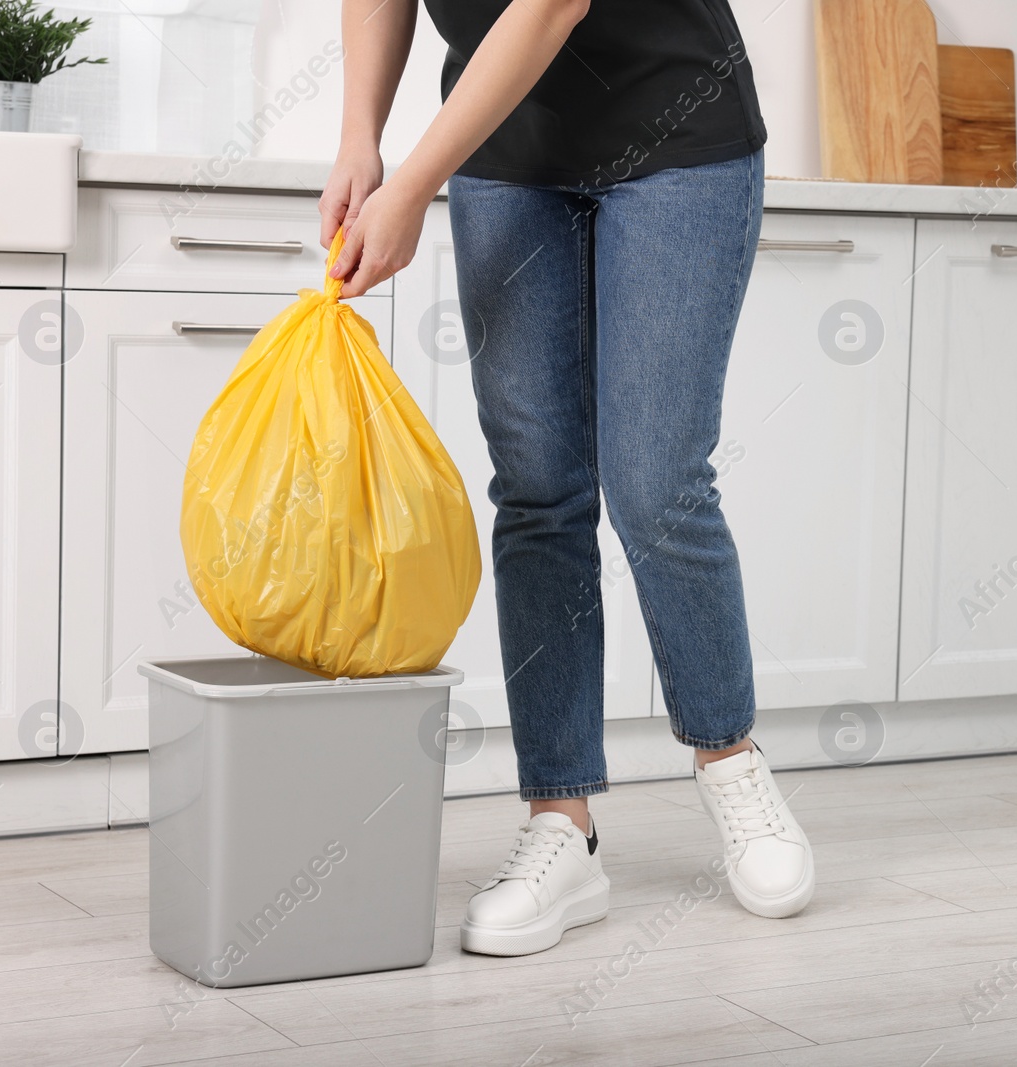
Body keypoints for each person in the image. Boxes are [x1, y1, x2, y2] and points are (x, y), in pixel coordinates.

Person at [319, 0, 813, 958]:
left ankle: (731, 762)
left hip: (677, 135)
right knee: (537, 488)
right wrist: (358, 137)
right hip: (509, 156)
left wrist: (413, 181)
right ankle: (562, 821)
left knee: (656, 479)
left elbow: (549, 6)